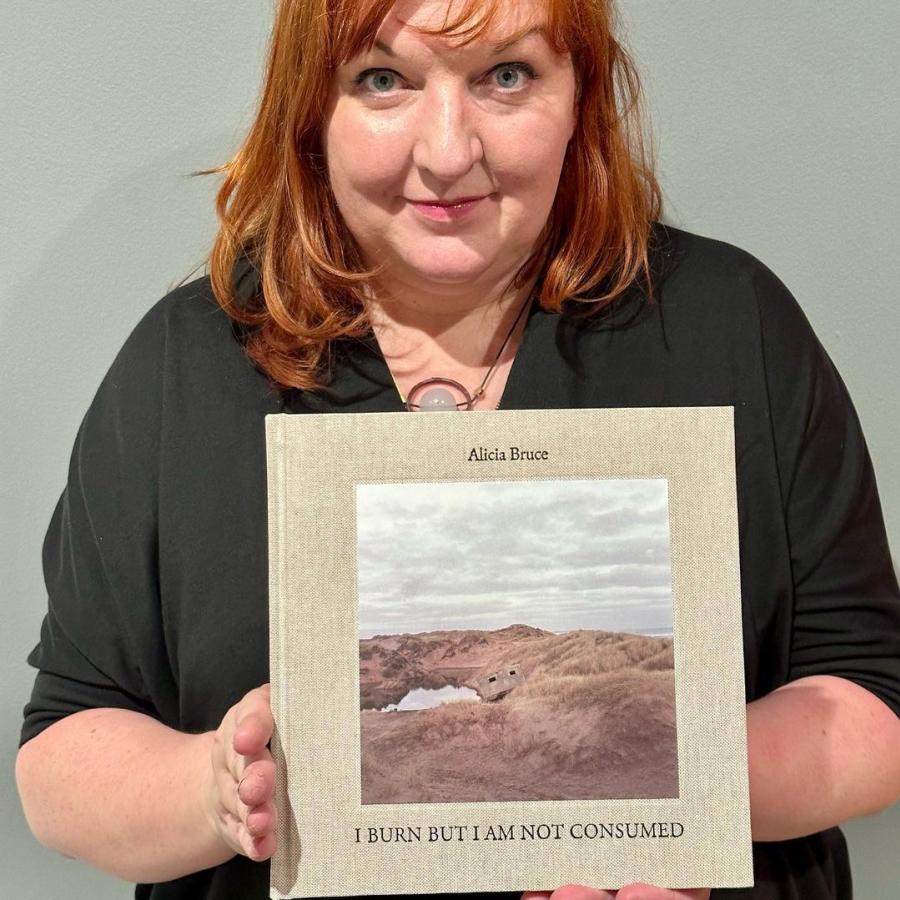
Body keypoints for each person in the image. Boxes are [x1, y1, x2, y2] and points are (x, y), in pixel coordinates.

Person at [14, 0, 900, 898]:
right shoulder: (187, 363)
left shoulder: (729, 322)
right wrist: (217, 793)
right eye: (382, 79)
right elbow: (61, 765)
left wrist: (660, 792)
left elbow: (873, 702)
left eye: (505, 77)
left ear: (580, 97)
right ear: (312, 110)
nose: (446, 152)